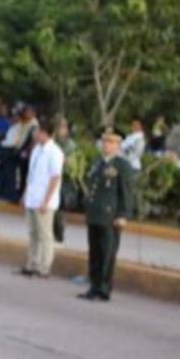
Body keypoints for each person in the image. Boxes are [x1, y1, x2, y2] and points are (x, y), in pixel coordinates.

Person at [79, 128, 134, 301]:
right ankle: (94, 286)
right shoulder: (99, 162)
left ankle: (103, 289)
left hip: (110, 216)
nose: (106, 145)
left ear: (118, 145)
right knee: (94, 252)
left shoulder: (122, 166)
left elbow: (126, 192)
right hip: (95, 214)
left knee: (107, 254)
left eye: (110, 141)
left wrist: (123, 214)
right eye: (105, 141)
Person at [19, 121, 64, 278]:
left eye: (38, 132)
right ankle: (31, 263)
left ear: (46, 133)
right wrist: (26, 193)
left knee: (45, 235)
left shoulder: (55, 152)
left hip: (45, 200)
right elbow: (31, 175)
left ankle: (44, 267)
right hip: (33, 197)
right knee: (33, 233)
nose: (36, 135)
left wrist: (46, 200)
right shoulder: (37, 149)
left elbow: (55, 178)